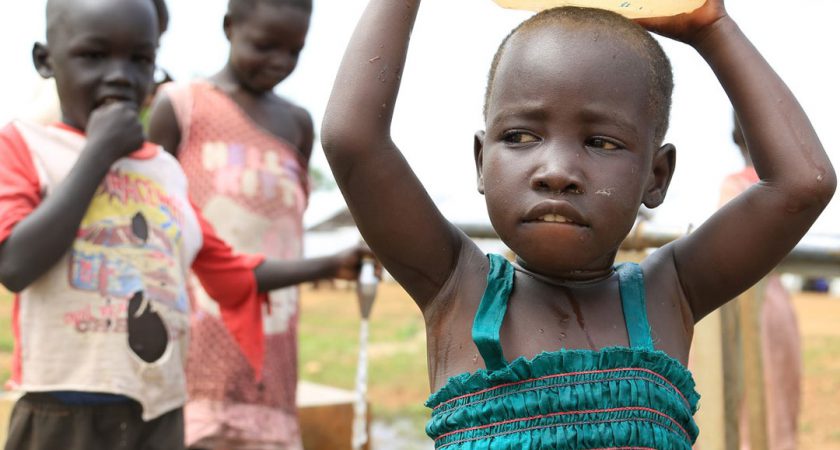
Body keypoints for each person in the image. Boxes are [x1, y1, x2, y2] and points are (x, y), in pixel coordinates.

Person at [320, 0, 834, 448]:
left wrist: (711, 29)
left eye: (601, 142)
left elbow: (802, 183)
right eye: (521, 137)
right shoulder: (456, 286)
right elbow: (353, 141)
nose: (557, 172)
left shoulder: (670, 293)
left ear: (656, 176)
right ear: (481, 161)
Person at [0, 0, 373, 449]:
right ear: (46, 60)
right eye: (94, 56)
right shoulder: (25, 146)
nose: (120, 75)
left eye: (140, 59)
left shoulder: (164, 174)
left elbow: (234, 272)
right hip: (61, 411)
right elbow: (15, 264)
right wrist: (99, 153)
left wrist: (329, 265)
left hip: (159, 416)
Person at [146, 0, 323, 448]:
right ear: (229, 27)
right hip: (192, 330)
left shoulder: (298, 124)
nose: (279, 62)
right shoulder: (182, 106)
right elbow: (149, 217)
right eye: (265, 46)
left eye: (294, 50)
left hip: (273, 333)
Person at [721, 117, 801, 450]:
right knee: (779, 398)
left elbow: (725, 252)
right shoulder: (788, 190)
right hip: (777, 304)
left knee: (738, 395)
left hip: (742, 304)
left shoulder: (734, 187)